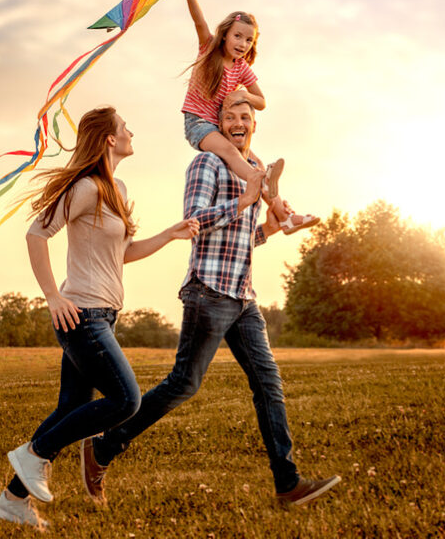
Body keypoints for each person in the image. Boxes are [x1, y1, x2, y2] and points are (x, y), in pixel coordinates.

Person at [82, 98, 341, 506]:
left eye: (245, 117)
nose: (238, 122)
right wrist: (244, 200)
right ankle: (104, 447)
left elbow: (239, 242)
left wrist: (268, 230)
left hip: (243, 296)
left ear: (253, 125)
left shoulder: (252, 170)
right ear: (218, 126)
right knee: (183, 383)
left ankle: (287, 484)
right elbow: (194, 222)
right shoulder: (206, 164)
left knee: (268, 383)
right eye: (229, 117)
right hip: (208, 292)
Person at [0, 106, 200, 529]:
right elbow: (36, 233)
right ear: (109, 138)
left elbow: (122, 254)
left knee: (72, 406)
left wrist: (169, 234)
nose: (131, 131)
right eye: (125, 127)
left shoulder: (116, 188)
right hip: (81, 315)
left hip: (103, 314)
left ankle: (12, 500)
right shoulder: (85, 187)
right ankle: (34, 453)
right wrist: (53, 296)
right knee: (126, 400)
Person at [179, 0, 319, 237]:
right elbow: (199, 22)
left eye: (248, 40)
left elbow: (261, 101)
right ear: (225, 35)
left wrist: (244, 95)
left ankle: (285, 218)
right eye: (237, 36)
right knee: (233, 155)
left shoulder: (241, 67)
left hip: (218, 127)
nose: (242, 44)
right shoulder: (209, 49)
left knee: (256, 162)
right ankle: (260, 180)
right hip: (198, 124)